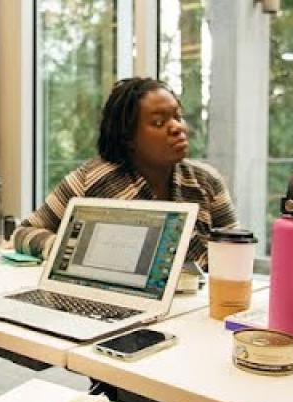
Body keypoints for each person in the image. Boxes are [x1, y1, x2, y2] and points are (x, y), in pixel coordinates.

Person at [14, 77, 238, 269]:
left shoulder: (206, 181)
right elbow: (24, 233)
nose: (177, 127)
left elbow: (236, 251)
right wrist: (72, 251)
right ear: (128, 137)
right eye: (159, 122)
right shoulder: (90, 180)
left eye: (178, 116)